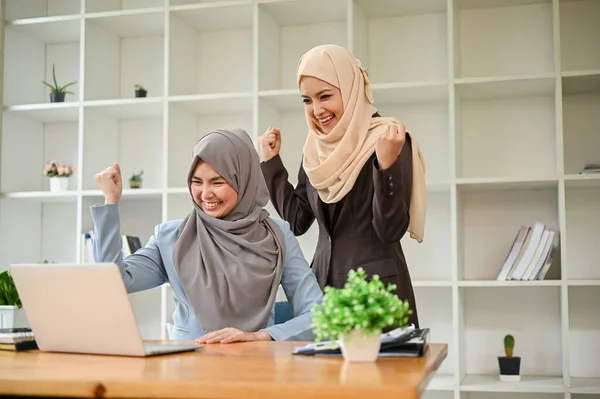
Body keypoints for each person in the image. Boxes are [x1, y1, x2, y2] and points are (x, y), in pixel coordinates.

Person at [91, 128, 323, 344]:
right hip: (186, 368)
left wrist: (261, 337)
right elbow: (112, 281)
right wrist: (110, 203)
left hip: (255, 366)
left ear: (243, 180)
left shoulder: (276, 234)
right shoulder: (171, 237)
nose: (205, 193)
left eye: (217, 182)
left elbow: (318, 314)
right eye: (196, 182)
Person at [258, 44, 427, 328]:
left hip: (376, 294)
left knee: (379, 373)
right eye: (307, 100)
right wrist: (272, 163)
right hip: (323, 293)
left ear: (350, 89)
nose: (317, 110)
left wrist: (386, 165)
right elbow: (298, 220)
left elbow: (390, 230)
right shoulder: (315, 149)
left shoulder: (389, 140)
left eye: (325, 96)